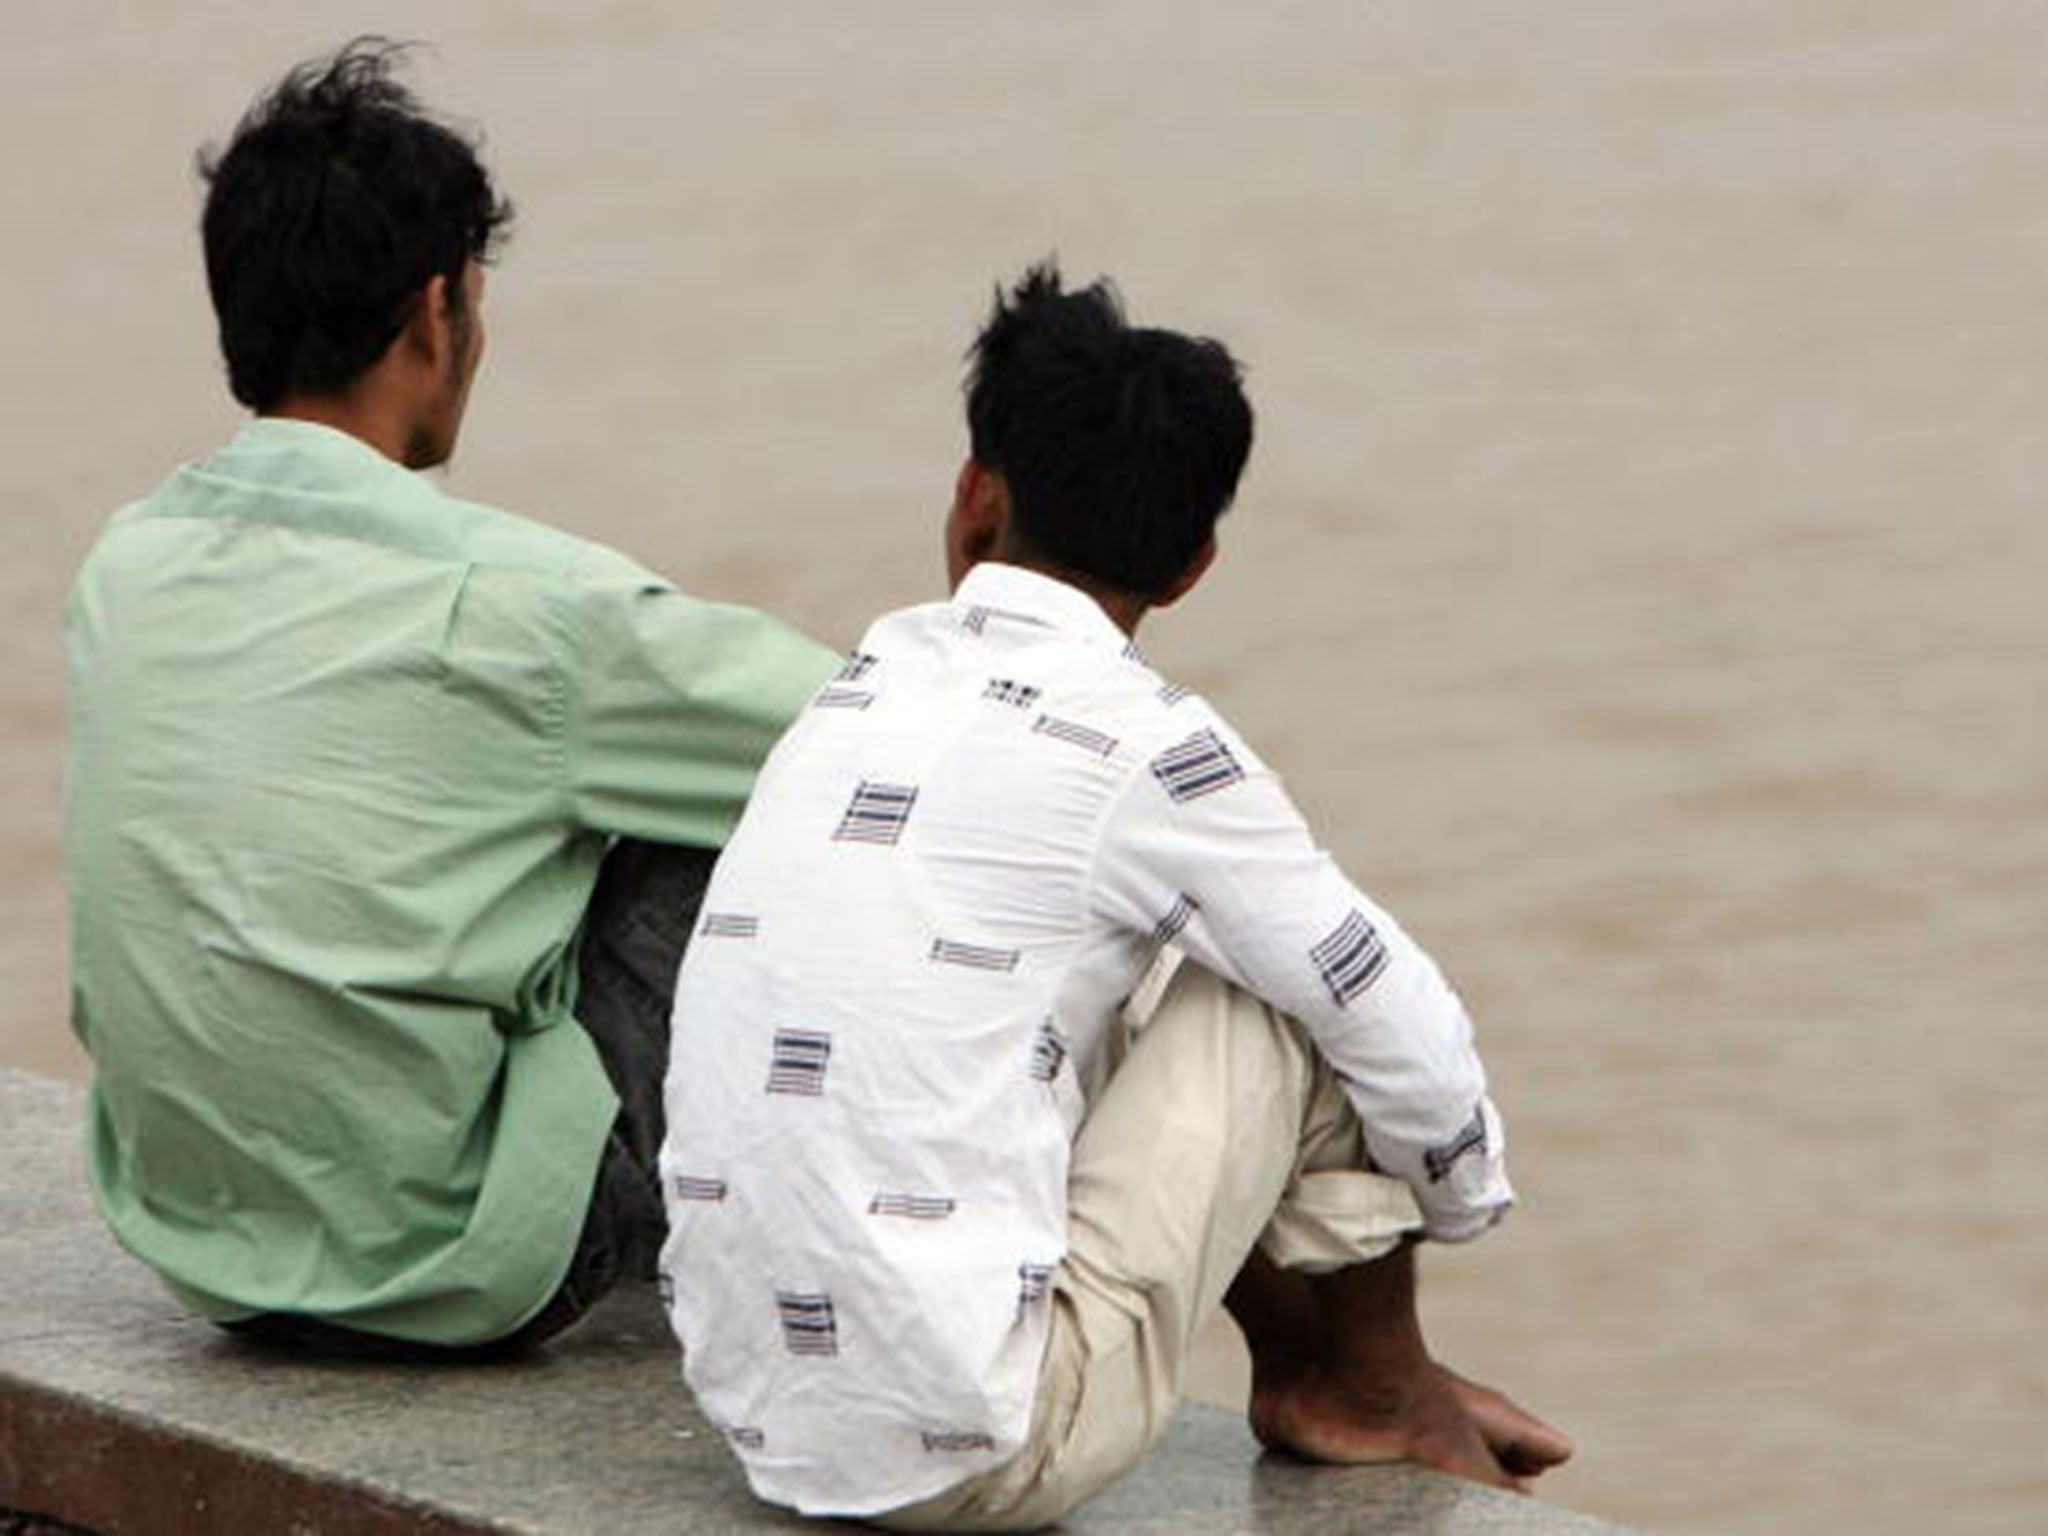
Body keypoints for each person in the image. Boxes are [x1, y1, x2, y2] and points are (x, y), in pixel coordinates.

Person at [657, 263, 1574, 1527]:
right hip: (974, 1458)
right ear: (1194, 564)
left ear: (974, 499)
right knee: (1293, 1002)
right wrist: (1459, 1201)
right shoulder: (1146, 747)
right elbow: (1390, 1013)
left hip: (758, 1420)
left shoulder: (850, 699)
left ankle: (1332, 1373)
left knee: (1097, 963)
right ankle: (1369, 1389)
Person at [62, 39, 836, 1357]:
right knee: (768, 814)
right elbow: (886, 736)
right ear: (436, 313)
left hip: (202, 1247)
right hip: (459, 1265)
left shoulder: (122, 568)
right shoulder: (524, 607)